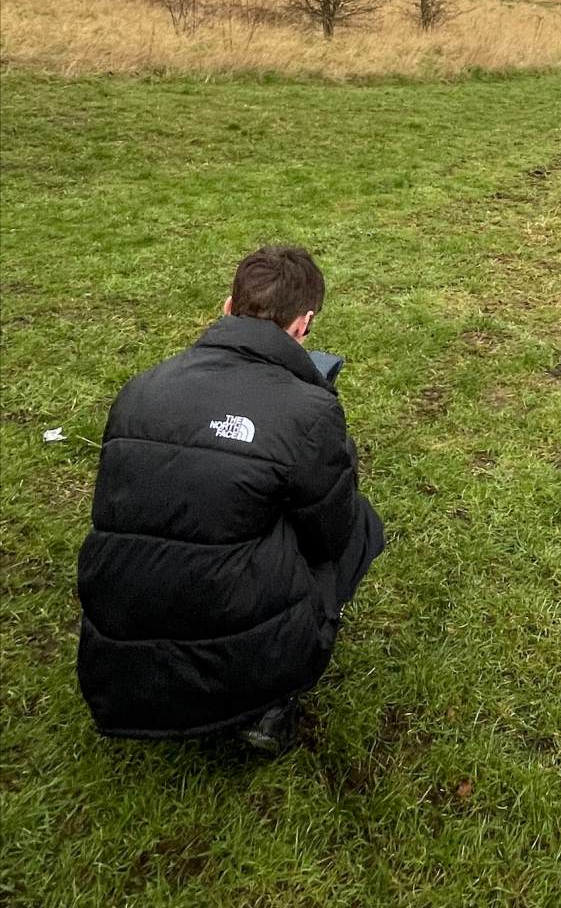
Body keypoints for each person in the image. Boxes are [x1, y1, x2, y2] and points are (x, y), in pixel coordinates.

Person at [76, 246, 384, 755]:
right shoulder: (309, 410)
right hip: (227, 651)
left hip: (114, 648)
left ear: (227, 307)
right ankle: (268, 700)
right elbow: (330, 531)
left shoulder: (141, 388)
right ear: (304, 324)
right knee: (361, 528)